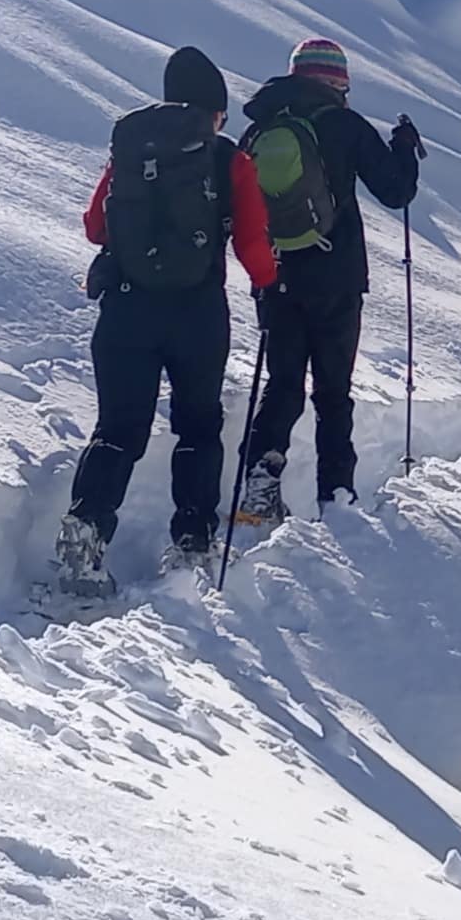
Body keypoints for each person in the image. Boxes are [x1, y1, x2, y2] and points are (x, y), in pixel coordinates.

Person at [53, 47, 278, 598]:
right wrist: (268, 284)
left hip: (126, 310)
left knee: (118, 429)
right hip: (197, 315)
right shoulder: (229, 160)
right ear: (215, 111)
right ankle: (192, 545)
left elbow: (93, 227)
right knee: (198, 427)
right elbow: (251, 240)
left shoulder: (131, 148)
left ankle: (84, 541)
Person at [236, 38, 422, 522]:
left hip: (275, 276)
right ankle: (336, 496)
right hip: (336, 278)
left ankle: (260, 484)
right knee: (332, 392)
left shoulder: (260, 129)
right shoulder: (344, 125)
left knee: (282, 385)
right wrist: (404, 149)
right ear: (338, 84)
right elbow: (396, 191)